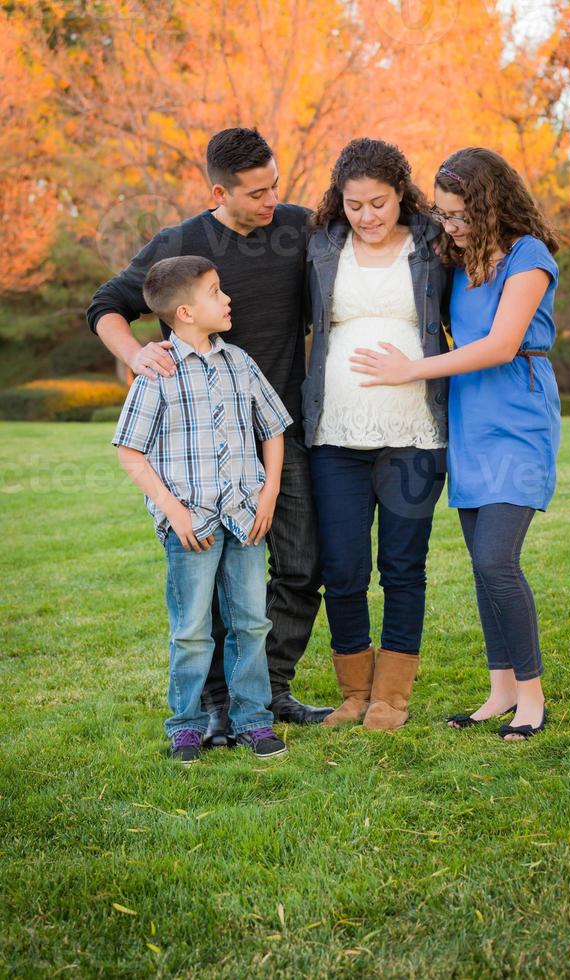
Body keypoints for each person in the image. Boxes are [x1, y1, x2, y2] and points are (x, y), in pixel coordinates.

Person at [87, 127, 332, 741]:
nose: (271, 199)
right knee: (217, 574)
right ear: (219, 190)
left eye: (275, 184)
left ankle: (270, 689)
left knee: (301, 565)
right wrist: (135, 354)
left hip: (282, 428)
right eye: (256, 193)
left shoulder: (298, 226)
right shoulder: (183, 243)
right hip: (201, 448)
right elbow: (107, 304)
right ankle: (220, 702)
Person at [351, 146, 560, 741]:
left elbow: (499, 345)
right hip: (467, 418)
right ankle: (500, 692)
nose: (451, 226)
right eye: (443, 216)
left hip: (517, 416)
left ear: (491, 204)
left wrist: (409, 369)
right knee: (480, 565)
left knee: (498, 559)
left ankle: (532, 698)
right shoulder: (459, 256)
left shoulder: (529, 256)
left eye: (461, 215)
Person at [113, 255, 293, 763]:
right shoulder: (156, 372)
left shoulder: (240, 362)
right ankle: (187, 724)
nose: (228, 298)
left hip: (245, 515)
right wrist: (173, 510)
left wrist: (270, 491)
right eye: (217, 291)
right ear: (186, 312)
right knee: (192, 628)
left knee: (252, 622)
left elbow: (273, 428)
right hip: (190, 524)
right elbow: (130, 451)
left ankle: (253, 720)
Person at [304, 138, 450, 732]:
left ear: (402, 195)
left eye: (379, 203)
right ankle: (354, 693)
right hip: (334, 435)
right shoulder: (319, 247)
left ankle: (392, 698)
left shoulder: (433, 245)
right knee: (341, 568)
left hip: (413, 433)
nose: (366, 216)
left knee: (401, 567)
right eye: (354, 204)